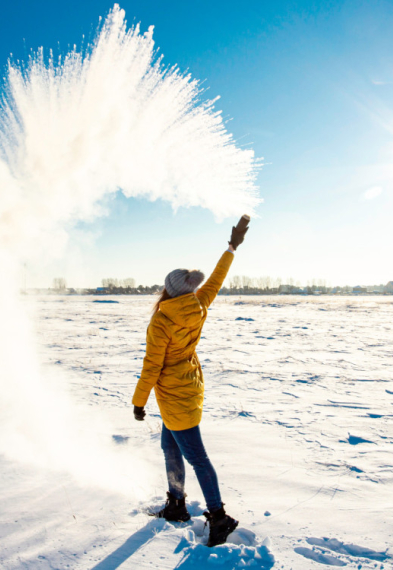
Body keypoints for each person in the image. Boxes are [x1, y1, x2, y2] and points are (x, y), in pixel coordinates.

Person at [131, 217, 249, 548]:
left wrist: (139, 402)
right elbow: (217, 279)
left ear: (168, 289)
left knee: (197, 456)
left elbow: (152, 364)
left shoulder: (162, 319)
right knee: (169, 446)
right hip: (187, 386)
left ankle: (219, 517)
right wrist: (232, 248)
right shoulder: (198, 303)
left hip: (175, 393)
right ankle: (177, 504)